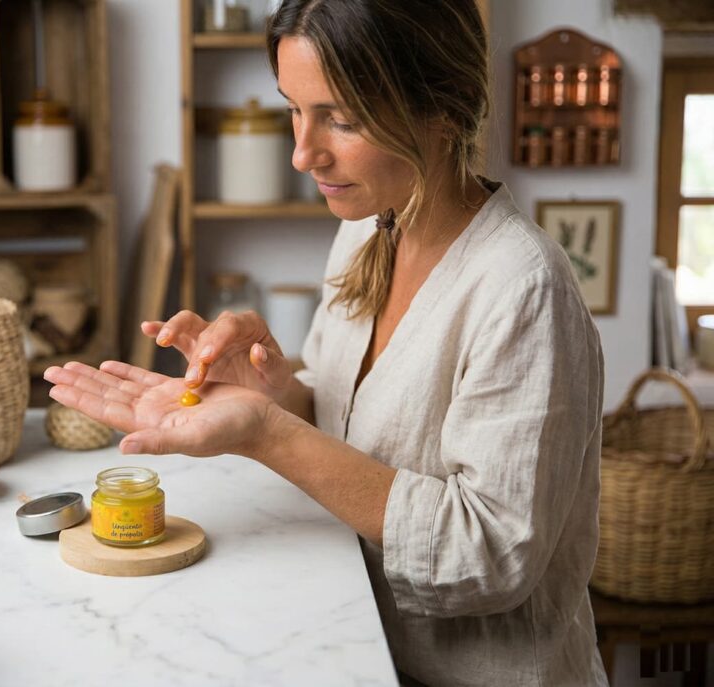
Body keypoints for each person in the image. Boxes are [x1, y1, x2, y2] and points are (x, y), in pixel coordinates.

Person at [44, 0, 607, 684]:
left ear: (445, 110)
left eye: (341, 118)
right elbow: (358, 429)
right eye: (294, 109)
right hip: (352, 646)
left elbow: (488, 555)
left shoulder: (522, 289)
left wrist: (269, 434)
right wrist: (276, 395)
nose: (302, 152)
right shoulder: (366, 230)